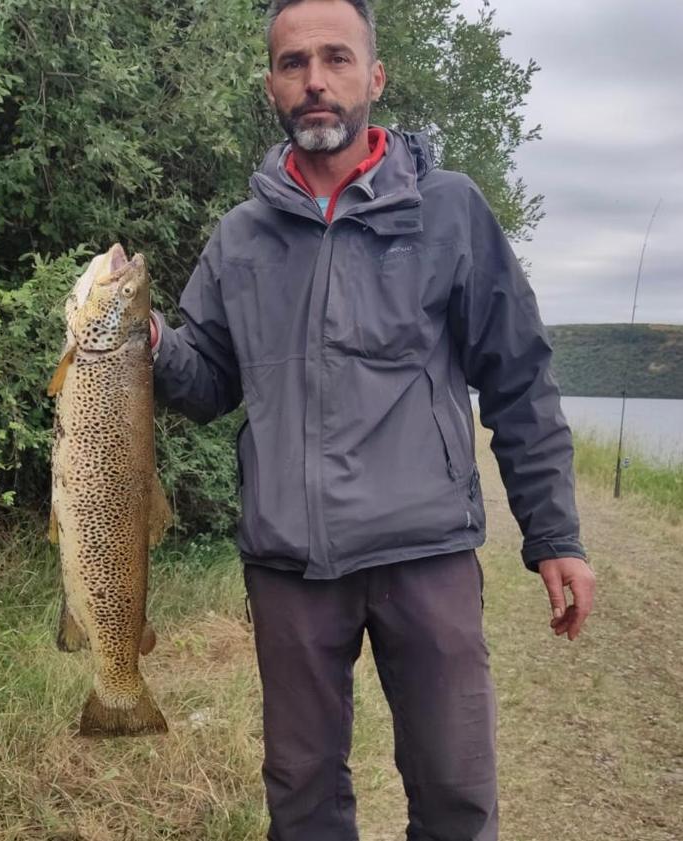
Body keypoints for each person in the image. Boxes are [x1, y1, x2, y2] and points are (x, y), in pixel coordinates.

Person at [150, 1, 596, 838]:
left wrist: (556, 536)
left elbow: (520, 380)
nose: (315, 80)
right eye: (293, 63)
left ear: (375, 76)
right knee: (304, 799)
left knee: (456, 793)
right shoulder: (240, 238)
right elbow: (207, 382)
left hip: (423, 555)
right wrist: (146, 345)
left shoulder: (449, 211)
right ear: (272, 86)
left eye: (336, 58)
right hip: (289, 566)